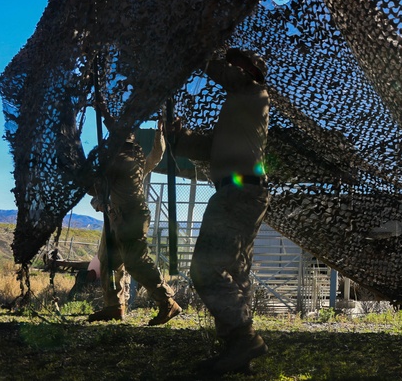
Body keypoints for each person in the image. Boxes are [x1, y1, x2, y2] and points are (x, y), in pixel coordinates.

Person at [170, 47, 271, 376]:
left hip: (239, 192)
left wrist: (196, 50)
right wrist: (175, 136)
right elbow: (202, 147)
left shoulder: (253, 92)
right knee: (232, 272)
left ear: (251, 71)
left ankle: (243, 338)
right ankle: (237, 351)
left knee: (206, 269)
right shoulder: (239, 109)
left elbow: (225, 73)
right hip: (241, 192)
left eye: (236, 61)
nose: (231, 64)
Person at [86, 120, 182, 326]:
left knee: (135, 261)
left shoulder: (120, 160)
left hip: (129, 217)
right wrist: (159, 134)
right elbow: (156, 155)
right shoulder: (135, 161)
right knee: (109, 261)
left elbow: (93, 188)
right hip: (116, 217)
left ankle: (167, 301)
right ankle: (114, 306)